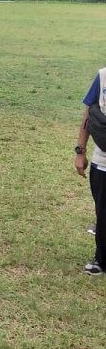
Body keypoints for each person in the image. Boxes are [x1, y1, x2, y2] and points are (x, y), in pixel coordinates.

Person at [74, 68, 106, 276]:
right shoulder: (103, 76)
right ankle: (101, 259)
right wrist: (80, 151)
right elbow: (88, 115)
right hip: (102, 161)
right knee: (102, 212)